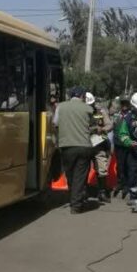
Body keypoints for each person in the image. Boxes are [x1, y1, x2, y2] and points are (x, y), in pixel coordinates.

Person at [53, 86, 94, 214]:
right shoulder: (88, 108)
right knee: (80, 176)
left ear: (70, 96)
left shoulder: (61, 106)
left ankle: (74, 199)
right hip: (84, 146)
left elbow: (55, 123)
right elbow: (93, 124)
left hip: (66, 146)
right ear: (82, 96)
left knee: (70, 174)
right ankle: (76, 205)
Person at [86, 93, 113, 203]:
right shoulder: (81, 112)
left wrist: (102, 130)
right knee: (83, 168)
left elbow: (109, 125)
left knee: (101, 168)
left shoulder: (100, 112)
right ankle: (83, 192)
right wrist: (92, 129)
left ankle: (101, 192)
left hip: (98, 143)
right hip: (85, 144)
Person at [111, 96, 131, 197]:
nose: (124, 106)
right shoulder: (116, 115)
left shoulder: (132, 116)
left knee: (127, 164)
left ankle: (126, 184)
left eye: (126, 104)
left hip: (127, 144)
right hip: (118, 143)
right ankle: (119, 182)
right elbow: (112, 127)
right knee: (119, 165)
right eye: (123, 104)